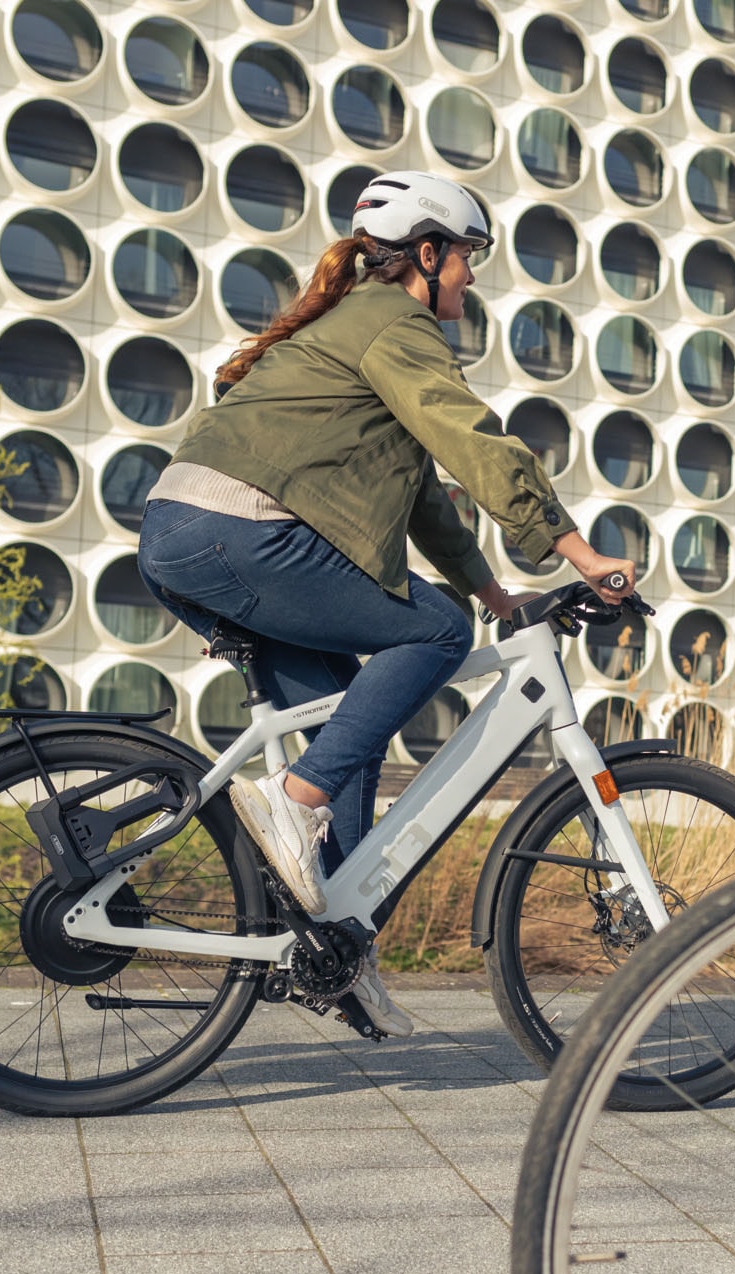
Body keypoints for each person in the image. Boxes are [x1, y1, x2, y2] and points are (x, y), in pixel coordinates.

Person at [137, 171, 637, 1038]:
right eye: (467, 261)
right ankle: (290, 804)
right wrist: (578, 552)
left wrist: (492, 591)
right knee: (434, 631)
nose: (472, 280)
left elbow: (420, 497)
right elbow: (470, 437)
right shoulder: (395, 326)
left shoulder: (351, 328)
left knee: (349, 734)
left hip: (188, 535)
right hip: (239, 533)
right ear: (429, 255)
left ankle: (337, 947)